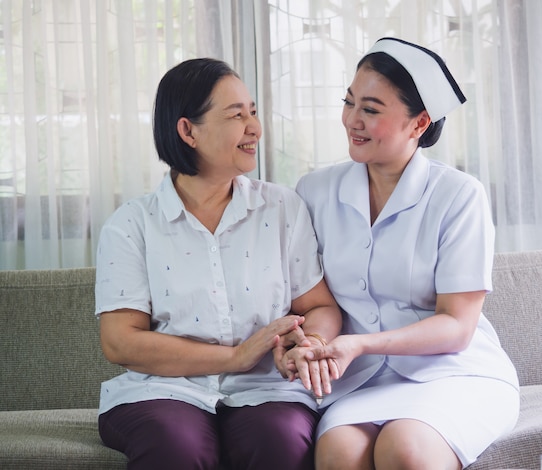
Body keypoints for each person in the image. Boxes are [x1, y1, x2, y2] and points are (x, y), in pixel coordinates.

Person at [94, 58, 342, 470]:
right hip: (164, 392)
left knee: (279, 441)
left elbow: (320, 307)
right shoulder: (131, 225)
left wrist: (309, 344)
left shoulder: (282, 207)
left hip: (268, 388)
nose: (255, 128)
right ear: (187, 130)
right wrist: (234, 357)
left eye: (254, 112)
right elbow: (120, 341)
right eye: (236, 115)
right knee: (177, 447)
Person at [292, 38, 520, 470]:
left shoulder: (458, 196)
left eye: (371, 109)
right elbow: (306, 300)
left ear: (419, 123)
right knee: (340, 452)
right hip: (357, 381)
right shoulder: (313, 192)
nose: (352, 121)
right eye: (348, 102)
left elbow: (456, 326)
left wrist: (359, 344)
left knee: (406, 448)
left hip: (455, 373)